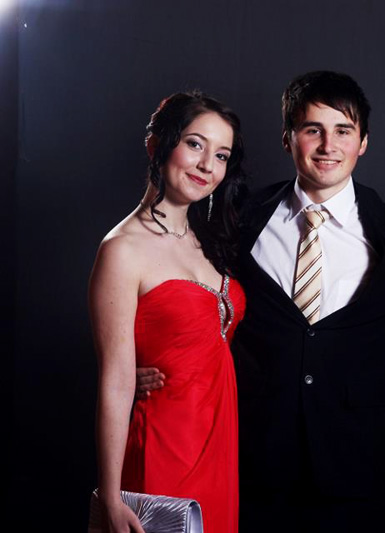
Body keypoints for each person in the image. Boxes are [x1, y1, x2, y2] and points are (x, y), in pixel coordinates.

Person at [137, 72, 385, 532]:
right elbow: (184, 297)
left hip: (358, 466)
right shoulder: (238, 218)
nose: (328, 146)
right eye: (312, 130)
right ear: (287, 139)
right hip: (254, 459)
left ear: (363, 142)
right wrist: (135, 366)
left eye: (343, 131)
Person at [90, 91, 247, 533]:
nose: (207, 165)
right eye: (195, 144)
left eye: (221, 155)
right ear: (157, 144)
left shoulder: (209, 240)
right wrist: (110, 496)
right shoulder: (122, 250)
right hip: (164, 449)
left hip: (218, 448)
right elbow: (116, 380)